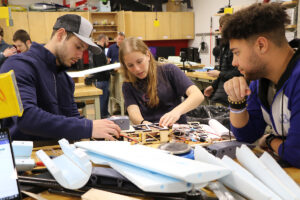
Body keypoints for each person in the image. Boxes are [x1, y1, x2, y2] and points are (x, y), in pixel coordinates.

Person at [0, 14, 121, 141]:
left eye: (84, 50)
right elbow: (26, 118)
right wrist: (88, 127)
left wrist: (103, 128)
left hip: (58, 153)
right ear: (60, 34)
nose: (80, 55)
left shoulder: (65, 79)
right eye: (78, 47)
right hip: (25, 157)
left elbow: (74, 119)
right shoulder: (18, 66)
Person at [222, 3, 300, 168]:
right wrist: (236, 101)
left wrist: (270, 139)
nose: (234, 62)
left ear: (261, 45)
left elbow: (296, 153)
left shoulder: (297, 80)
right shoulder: (260, 81)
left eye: (237, 53)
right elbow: (247, 135)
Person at [120, 37, 204, 127]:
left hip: (177, 131)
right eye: (130, 65)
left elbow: (197, 95)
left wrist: (176, 112)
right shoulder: (128, 85)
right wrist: (143, 123)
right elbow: (133, 112)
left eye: (139, 62)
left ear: (148, 55)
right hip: (150, 132)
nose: (137, 69)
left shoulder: (169, 71)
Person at [204, 14, 242, 106]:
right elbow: (225, 71)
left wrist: (219, 73)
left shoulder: (235, 46)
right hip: (222, 94)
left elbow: (238, 73)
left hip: (230, 95)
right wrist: (213, 86)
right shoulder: (224, 46)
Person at [88, 34, 111, 118]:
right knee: (102, 100)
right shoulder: (99, 51)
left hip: (100, 79)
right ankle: (102, 117)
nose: (108, 43)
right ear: (103, 40)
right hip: (101, 80)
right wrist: (108, 64)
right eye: (107, 41)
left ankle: (104, 115)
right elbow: (101, 67)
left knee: (104, 100)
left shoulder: (96, 49)